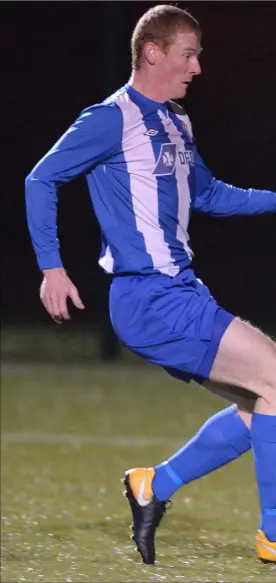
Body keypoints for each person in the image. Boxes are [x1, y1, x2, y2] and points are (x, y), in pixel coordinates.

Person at [25, 3, 276, 567]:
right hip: (149, 296)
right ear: (153, 53)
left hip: (181, 293)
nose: (197, 67)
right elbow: (40, 178)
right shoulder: (109, 118)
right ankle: (273, 538)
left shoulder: (176, 121)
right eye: (189, 54)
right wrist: (52, 267)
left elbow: (210, 195)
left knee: (262, 402)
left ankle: (153, 485)